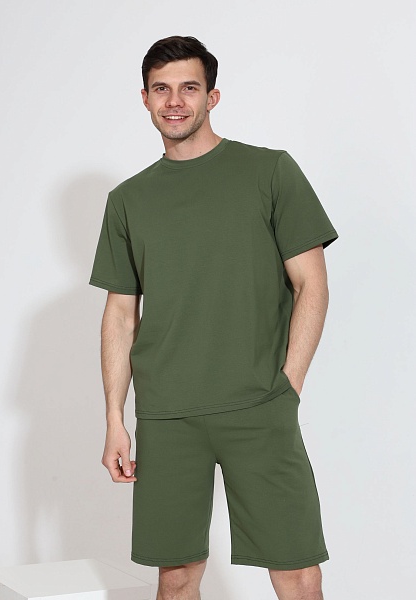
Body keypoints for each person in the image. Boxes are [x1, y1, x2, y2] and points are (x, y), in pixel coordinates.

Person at [89, 35, 339, 600]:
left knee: (298, 573)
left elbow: (312, 285)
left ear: (212, 96)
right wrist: (114, 418)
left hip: (259, 404)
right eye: (161, 89)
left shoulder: (270, 172)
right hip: (167, 414)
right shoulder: (128, 200)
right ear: (145, 99)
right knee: (176, 577)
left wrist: (288, 387)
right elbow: (121, 315)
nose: (174, 101)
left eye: (189, 88)